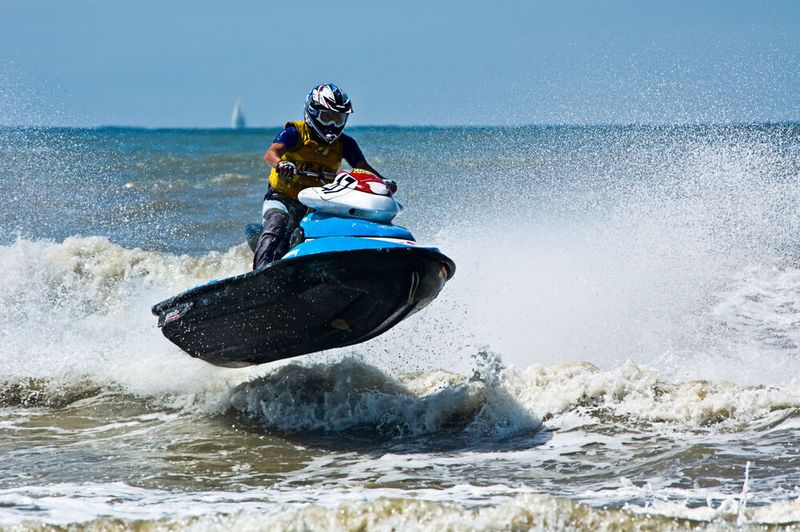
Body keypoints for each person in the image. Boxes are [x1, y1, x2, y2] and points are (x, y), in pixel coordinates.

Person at [253, 83, 383, 270]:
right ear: (312, 112)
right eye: (327, 117)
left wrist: (381, 182)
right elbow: (270, 154)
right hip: (282, 198)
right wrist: (281, 164)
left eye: (338, 119)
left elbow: (362, 168)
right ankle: (260, 272)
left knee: (338, 227)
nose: (332, 125)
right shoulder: (294, 133)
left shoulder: (346, 143)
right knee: (277, 224)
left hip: (317, 203)